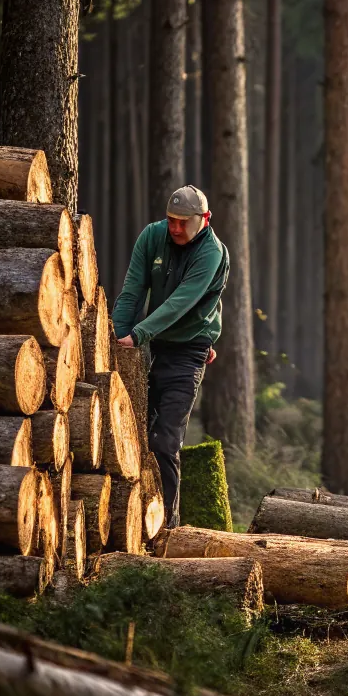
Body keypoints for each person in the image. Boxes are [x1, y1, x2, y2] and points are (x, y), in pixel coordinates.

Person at [112, 185, 230, 529]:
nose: (175, 229)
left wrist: (138, 334)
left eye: (183, 223)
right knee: (134, 429)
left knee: (165, 441)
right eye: (171, 220)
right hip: (156, 343)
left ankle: (169, 527)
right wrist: (117, 336)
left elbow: (182, 302)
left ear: (203, 220)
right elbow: (133, 288)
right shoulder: (153, 237)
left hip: (190, 350)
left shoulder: (212, 253)